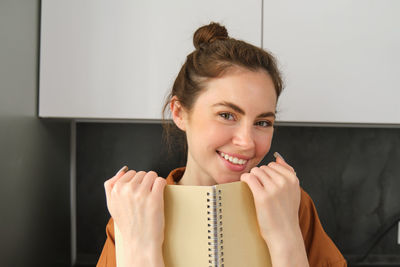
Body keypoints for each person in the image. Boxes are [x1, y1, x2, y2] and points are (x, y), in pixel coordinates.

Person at [97, 22, 347, 267]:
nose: (247, 143)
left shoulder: (291, 203)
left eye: (262, 122)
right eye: (227, 115)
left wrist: (285, 238)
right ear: (180, 112)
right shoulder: (134, 211)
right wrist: (141, 249)